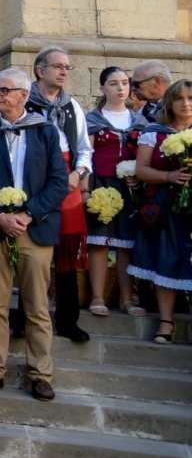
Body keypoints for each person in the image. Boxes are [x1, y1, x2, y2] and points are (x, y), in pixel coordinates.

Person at [0, 68, 68, 402]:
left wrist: (27, 214)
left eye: (4, 90)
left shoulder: (45, 131)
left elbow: (58, 181)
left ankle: (40, 373)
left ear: (23, 94)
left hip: (34, 228)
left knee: (37, 305)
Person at [25, 46, 92, 344]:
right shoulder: (23, 102)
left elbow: (84, 147)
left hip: (67, 180)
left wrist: (78, 174)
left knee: (66, 253)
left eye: (68, 67)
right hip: (34, 181)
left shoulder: (72, 106)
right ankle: (26, 317)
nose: (64, 71)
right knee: (30, 252)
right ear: (41, 70)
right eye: (58, 66)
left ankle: (67, 319)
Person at [128, 80, 192, 344]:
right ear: (169, 103)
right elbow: (141, 169)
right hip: (165, 207)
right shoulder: (154, 132)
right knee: (166, 259)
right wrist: (169, 175)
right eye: (180, 99)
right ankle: (166, 322)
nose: (186, 104)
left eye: (191, 98)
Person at [85, 67, 147, 318]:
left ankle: (126, 298)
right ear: (102, 88)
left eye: (124, 83)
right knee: (99, 243)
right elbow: (85, 155)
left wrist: (139, 176)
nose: (120, 88)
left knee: (126, 245)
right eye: (113, 83)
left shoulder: (140, 122)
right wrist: (86, 189)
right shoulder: (92, 119)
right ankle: (98, 296)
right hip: (101, 183)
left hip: (130, 188)